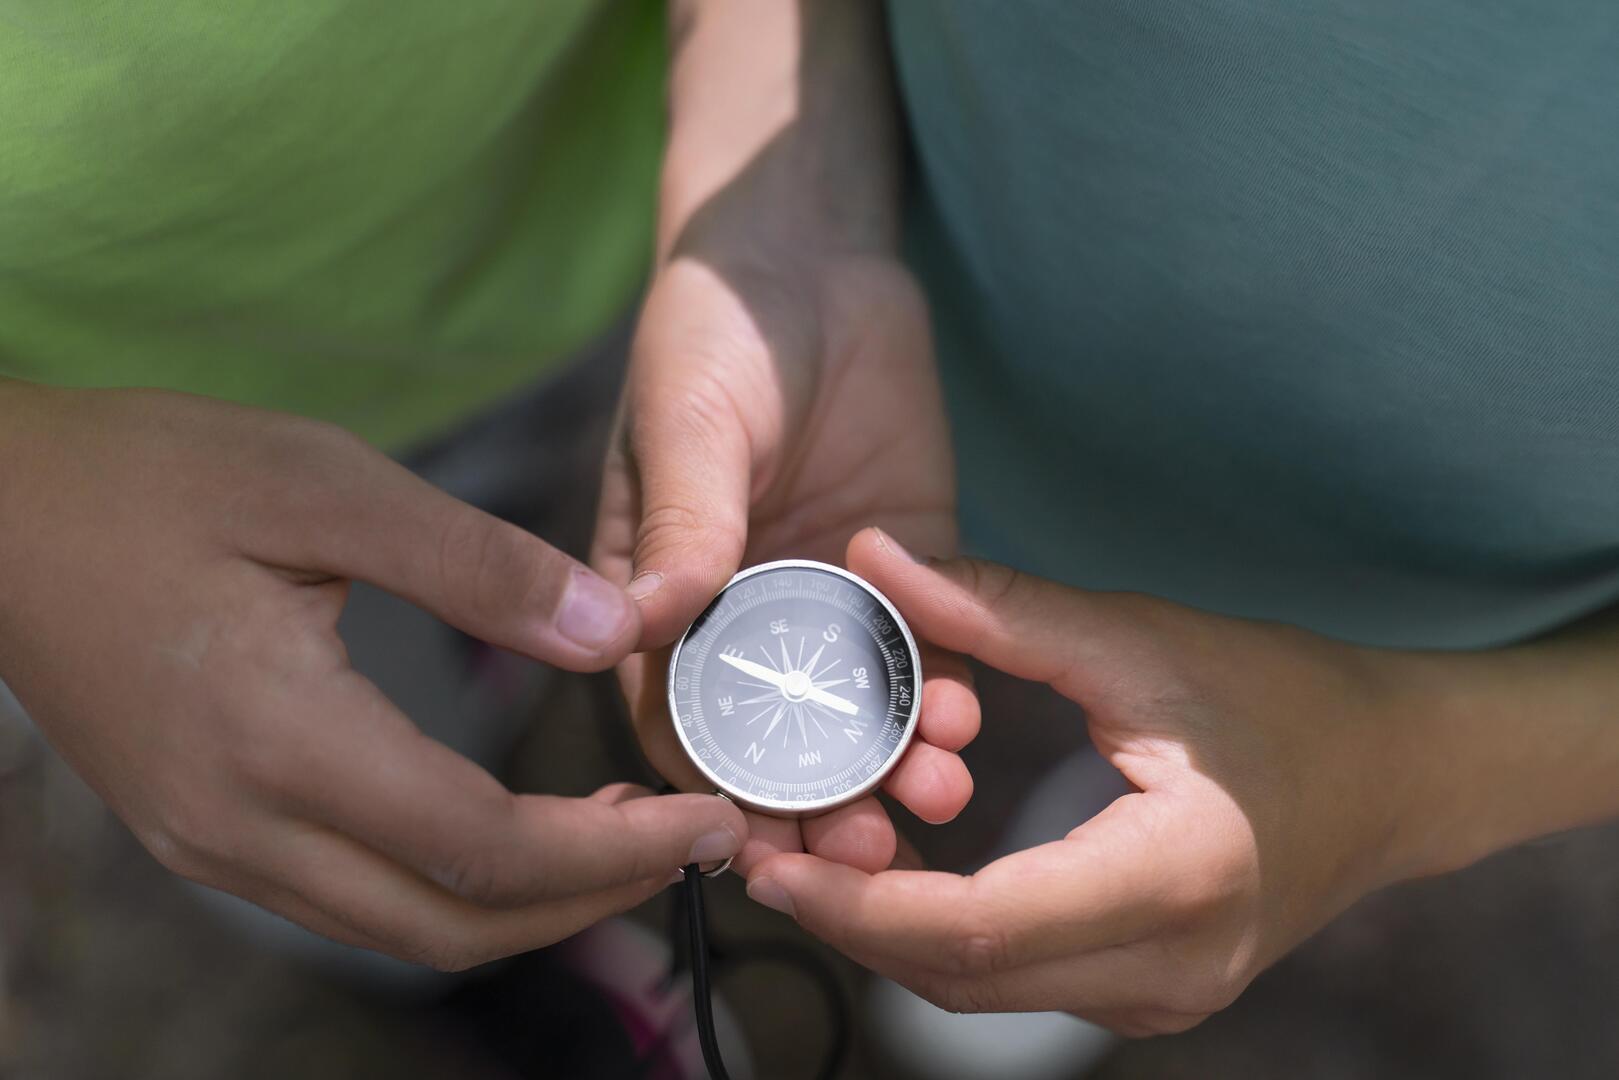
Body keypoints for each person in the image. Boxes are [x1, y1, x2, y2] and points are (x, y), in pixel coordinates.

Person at [601, 0, 1619, 1035]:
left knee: (1232, 753)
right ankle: (1185, 810)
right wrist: (792, 205)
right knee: (1190, 734)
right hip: (891, 392)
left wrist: (1404, 767)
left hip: (1428, 632)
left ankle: (1169, 821)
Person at [0, 0, 772, 974]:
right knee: (342, 838)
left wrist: (760, 166)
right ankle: (469, 978)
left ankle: (490, 680)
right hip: (118, 493)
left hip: (611, 227)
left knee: (549, 506)